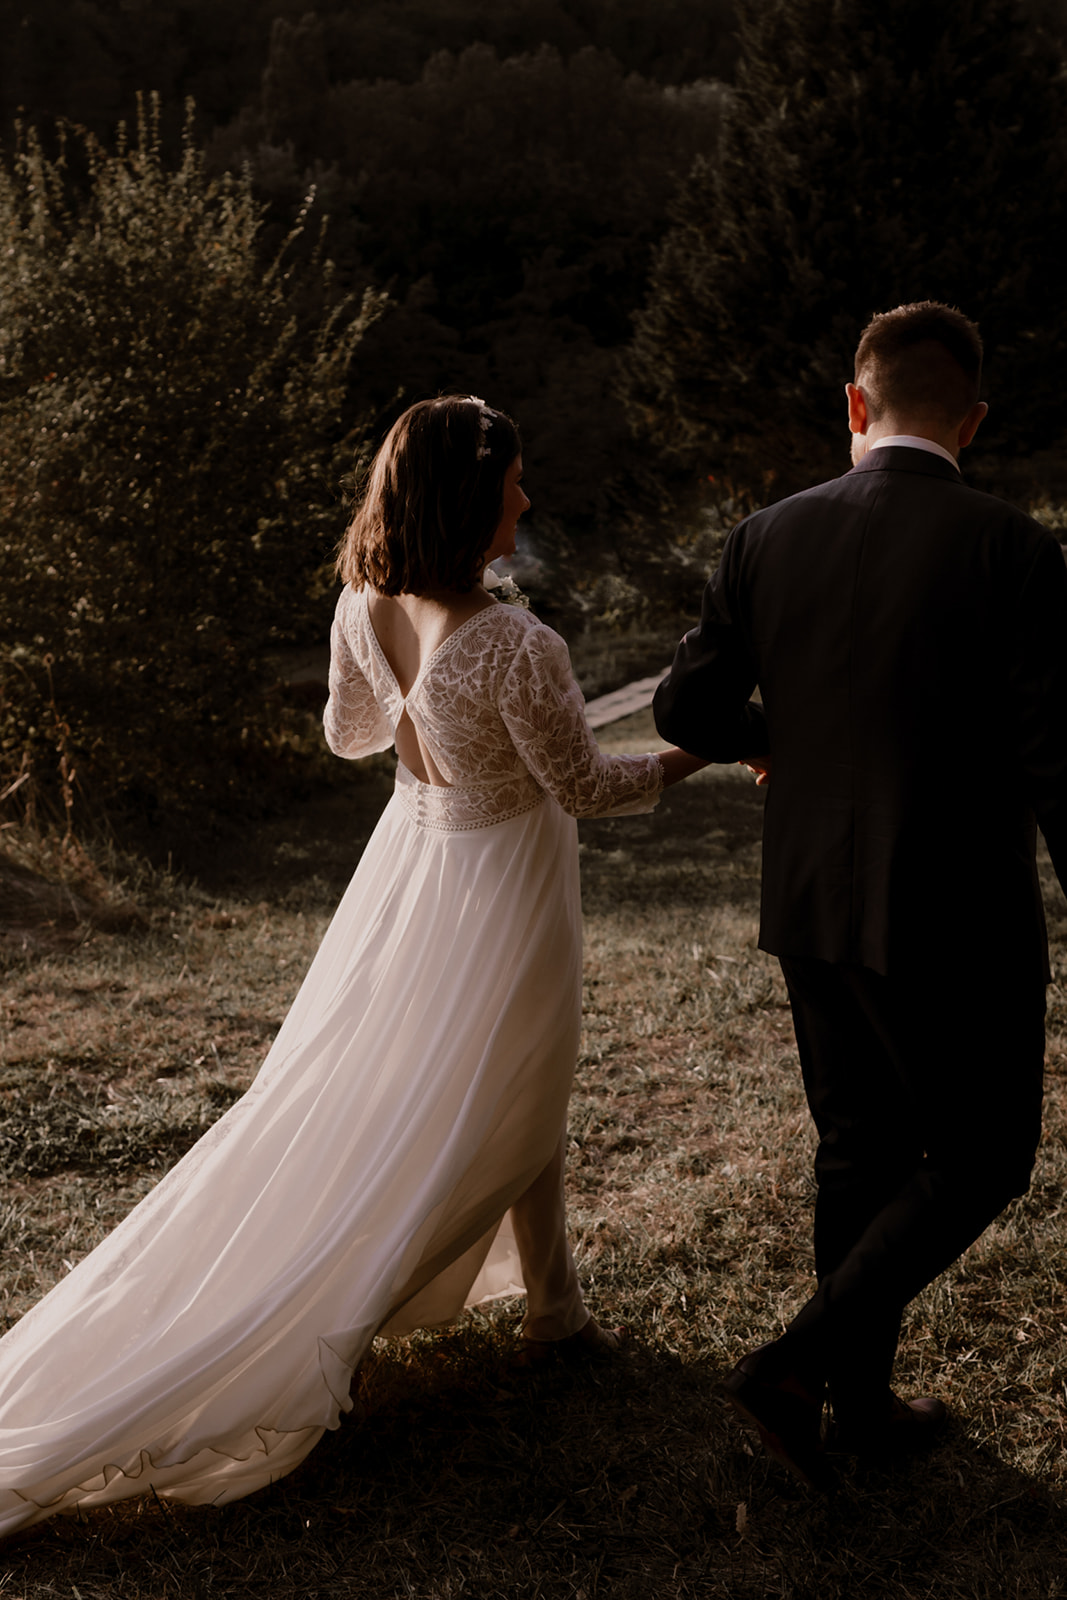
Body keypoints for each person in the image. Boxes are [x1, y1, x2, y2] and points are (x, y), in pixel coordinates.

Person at [0, 395, 705, 1536]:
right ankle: (354, 1305)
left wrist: (420, 712)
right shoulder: (518, 644)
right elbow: (587, 788)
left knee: (478, 1085)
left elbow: (347, 734)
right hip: (497, 890)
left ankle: (554, 1307)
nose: (527, 499)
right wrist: (700, 748)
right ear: (471, 500)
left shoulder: (361, 603)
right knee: (504, 1093)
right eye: (514, 483)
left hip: (410, 869)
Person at [654, 302, 1067, 1487]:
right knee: (983, 1155)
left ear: (853, 404)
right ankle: (797, 1363)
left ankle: (854, 1406)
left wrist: (763, 737)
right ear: (970, 419)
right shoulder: (1012, 548)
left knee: (859, 1148)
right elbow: (1056, 757)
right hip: (955, 908)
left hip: (808, 897)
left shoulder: (763, 535)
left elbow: (683, 711)